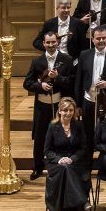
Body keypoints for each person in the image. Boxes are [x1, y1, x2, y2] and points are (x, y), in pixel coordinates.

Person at [23, 29, 73, 180]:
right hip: (42, 106)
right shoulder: (37, 61)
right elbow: (27, 83)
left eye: (53, 42)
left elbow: (70, 83)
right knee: (40, 137)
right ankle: (38, 167)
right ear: (43, 44)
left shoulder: (67, 59)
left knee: (61, 135)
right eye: (48, 42)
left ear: (58, 43)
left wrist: (57, 78)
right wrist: (40, 87)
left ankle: (58, 165)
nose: (51, 45)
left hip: (60, 106)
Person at [42, 97, 88, 211]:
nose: (68, 113)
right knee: (65, 168)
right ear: (60, 111)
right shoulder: (52, 126)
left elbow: (83, 148)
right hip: (55, 162)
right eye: (65, 110)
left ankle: (79, 208)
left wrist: (72, 158)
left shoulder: (78, 125)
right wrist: (59, 159)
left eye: (71, 110)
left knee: (68, 168)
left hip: (74, 161)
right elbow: (47, 150)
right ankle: (82, 208)